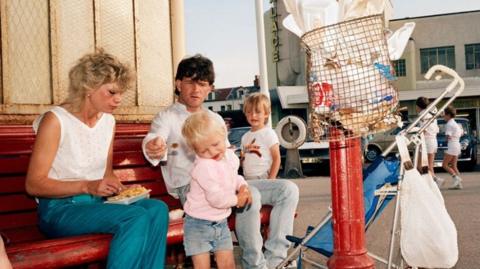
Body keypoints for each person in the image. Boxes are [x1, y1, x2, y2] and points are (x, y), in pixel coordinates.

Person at [143, 55, 299, 269]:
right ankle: (255, 265)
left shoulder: (214, 119)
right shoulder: (166, 117)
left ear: (210, 89)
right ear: (178, 84)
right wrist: (154, 145)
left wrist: (239, 179)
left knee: (288, 189)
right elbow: (154, 138)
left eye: (202, 84)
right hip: (191, 188)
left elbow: (226, 159)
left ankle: (276, 261)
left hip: (225, 183)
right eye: (190, 82)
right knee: (250, 195)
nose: (196, 90)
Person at [25, 50, 169, 269]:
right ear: (88, 87)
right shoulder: (56, 121)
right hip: (60, 210)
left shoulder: (108, 122)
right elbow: (34, 184)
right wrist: (88, 186)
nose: (118, 99)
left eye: (121, 93)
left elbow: (106, 173)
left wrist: (121, 190)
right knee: (135, 217)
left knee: (157, 209)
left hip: (96, 206)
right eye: (111, 92)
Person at [181, 111, 252, 269]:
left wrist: (242, 186)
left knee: (228, 265)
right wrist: (237, 199)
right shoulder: (203, 167)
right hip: (197, 225)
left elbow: (233, 178)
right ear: (195, 151)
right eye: (204, 151)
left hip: (220, 222)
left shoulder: (228, 157)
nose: (212, 152)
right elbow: (217, 199)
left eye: (215, 145)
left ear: (223, 135)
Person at [239, 92, 299, 268]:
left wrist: (272, 179)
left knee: (288, 190)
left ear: (266, 114)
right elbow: (243, 161)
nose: (253, 116)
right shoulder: (245, 137)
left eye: (258, 112)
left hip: (263, 179)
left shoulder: (268, 133)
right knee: (253, 193)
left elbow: (276, 158)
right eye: (249, 112)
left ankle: (275, 260)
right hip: (248, 180)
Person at [415, 97, 442, 186]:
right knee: (430, 166)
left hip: (426, 142)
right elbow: (437, 129)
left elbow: (423, 130)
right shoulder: (432, 115)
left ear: (418, 106)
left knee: (419, 166)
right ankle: (434, 181)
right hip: (434, 141)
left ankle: (427, 184)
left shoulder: (422, 115)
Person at [442, 105, 464, 189]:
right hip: (457, 145)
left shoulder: (449, 124)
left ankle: (456, 178)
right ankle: (459, 185)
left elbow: (447, 136)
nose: (443, 116)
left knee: (445, 165)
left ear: (448, 115)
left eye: (444, 114)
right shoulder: (455, 123)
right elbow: (461, 134)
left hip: (452, 146)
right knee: (454, 165)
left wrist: (447, 139)